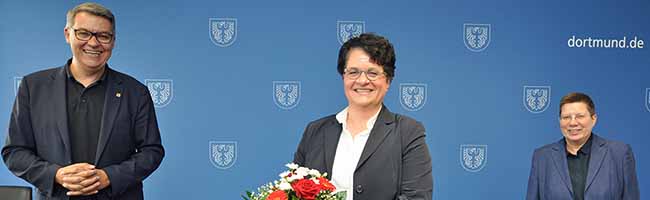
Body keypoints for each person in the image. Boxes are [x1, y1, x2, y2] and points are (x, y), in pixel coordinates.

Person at [2, 3, 164, 199]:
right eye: (84, 33)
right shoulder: (33, 87)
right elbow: (15, 152)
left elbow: (151, 151)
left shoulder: (136, 92)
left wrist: (108, 177)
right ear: (67, 34)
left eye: (103, 36)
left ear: (113, 42)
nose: (94, 43)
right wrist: (56, 175)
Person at [293, 33, 433, 200]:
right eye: (353, 72)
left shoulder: (408, 133)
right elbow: (293, 191)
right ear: (343, 77)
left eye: (372, 73)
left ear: (388, 80)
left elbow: (417, 197)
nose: (362, 81)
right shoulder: (314, 131)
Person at [526, 92, 639, 200]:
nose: (573, 123)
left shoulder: (619, 153)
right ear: (559, 120)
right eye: (566, 117)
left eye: (580, 116)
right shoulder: (542, 157)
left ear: (593, 119)